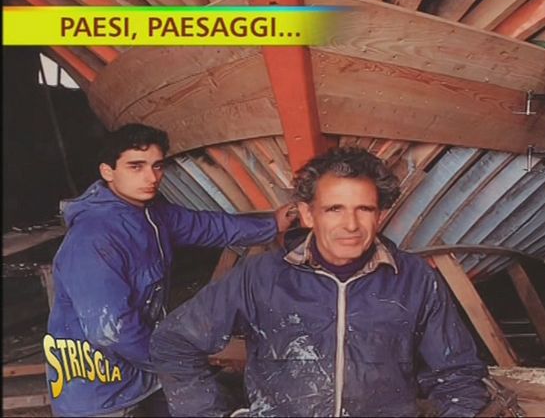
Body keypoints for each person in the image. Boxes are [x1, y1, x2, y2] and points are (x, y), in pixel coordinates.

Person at [150, 146, 490, 417]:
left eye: (364, 209)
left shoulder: (415, 280)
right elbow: (174, 342)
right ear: (308, 214)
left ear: (380, 215)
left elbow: (458, 375)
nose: (351, 225)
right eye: (334, 209)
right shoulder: (260, 276)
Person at [45, 123, 297, 417]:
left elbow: (208, 226)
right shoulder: (93, 239)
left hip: (141, 376)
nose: (151, 177)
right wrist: (177, 363)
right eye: (136, 166)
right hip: (99, 391)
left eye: (157, 166)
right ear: (107, 172)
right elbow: (111, 332)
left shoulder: (150, 215)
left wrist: (271, 224)